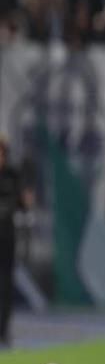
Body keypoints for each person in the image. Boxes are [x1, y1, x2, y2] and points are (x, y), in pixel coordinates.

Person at [0, 137, 33, 348]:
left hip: (6, 237)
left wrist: (27, 201)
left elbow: (22, 205)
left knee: (5, 285)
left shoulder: (13, 175)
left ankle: (3, 330)